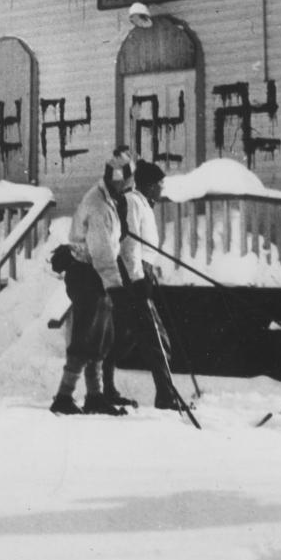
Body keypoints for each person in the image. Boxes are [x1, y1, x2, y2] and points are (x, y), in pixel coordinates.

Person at [49, 149, 137, 416]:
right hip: (87, 273)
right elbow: (101, 252)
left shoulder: (110, 200)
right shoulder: (99, 205)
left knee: (101, 335)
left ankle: (95, 396)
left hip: (97, 274)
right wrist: (115, 286)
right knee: (86, 335)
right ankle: (63, 397)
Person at [102, 158, 178, 410]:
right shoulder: (134, 202)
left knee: (125, 336)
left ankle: (107, 387)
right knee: (157, 337)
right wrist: (138, 279)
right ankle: (166, 396)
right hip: (132, 278)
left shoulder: (143, 203)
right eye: (159, 184)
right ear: (148, 185)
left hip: (138, 275)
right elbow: (129, 244)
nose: (162, 189)